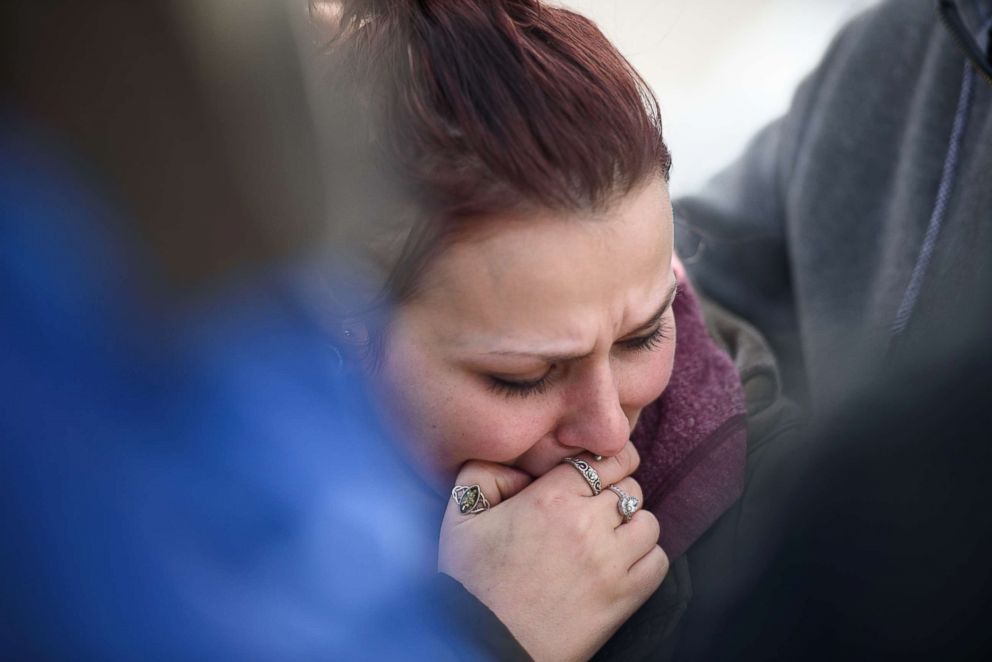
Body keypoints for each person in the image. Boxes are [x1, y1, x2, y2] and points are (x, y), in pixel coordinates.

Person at [313, 1, 800, 659]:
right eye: (525, 378)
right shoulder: (197, 507)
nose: (607, 431)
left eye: (644, 334)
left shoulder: (787, 525)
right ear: (342, 328)